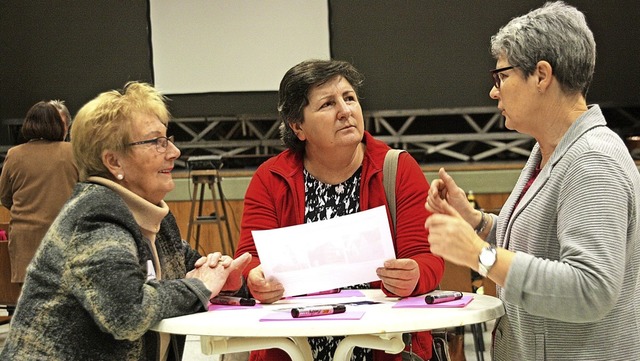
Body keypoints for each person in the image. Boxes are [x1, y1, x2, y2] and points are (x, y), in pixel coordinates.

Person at [424, 2, 640, 360]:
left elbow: (590, 289)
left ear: (541, 75)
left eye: (502, 77)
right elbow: (541, 247)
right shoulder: (550, 149)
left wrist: (481, 255)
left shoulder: (592, 160)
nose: (494, 92)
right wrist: (476, 222)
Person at [0, 81, 253, 361]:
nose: (173, 152)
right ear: (114, 162)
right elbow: (127, 312)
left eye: (168, 139)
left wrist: (227, 281)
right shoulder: (95, 218)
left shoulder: (157, 218)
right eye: (156, 142)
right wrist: (201, 285)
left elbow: (193, 271)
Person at [235, 59, 444, 361]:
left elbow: (427, 257)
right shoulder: (270, 179)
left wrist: (415, 275)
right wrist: (255, 279)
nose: (345, 111)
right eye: (328, 104)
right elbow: (249, 261)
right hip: (292, 349)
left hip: (383, 348)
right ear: (298, 127)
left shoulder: (396, 168)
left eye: (349, 98)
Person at [0, 101, 79, 283]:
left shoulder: (14, 154)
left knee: (31, 302)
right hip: (65, 236)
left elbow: (5, 197)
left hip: (25, 240)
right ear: (59, 125)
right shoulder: (73, 152)